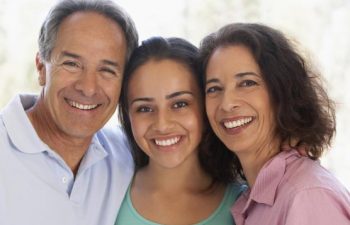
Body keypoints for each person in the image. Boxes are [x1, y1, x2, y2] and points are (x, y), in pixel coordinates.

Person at [0, 0, 138, 225]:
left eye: (107, 70)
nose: (88, 87)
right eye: (72, 64)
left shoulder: (129, 155)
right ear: (41, 68)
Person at [199, 22, 350, 225]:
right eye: (214, 88)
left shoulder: (307, 196)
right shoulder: (253, 198)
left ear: (281, 92)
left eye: (247, 83)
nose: (227, 104)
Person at [115, 36, 245, 225]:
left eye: (179, 104)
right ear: (128, 115)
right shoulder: (108, 194)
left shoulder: (244, 204)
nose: (162, 125)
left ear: (205, 106)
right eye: (144, 108)